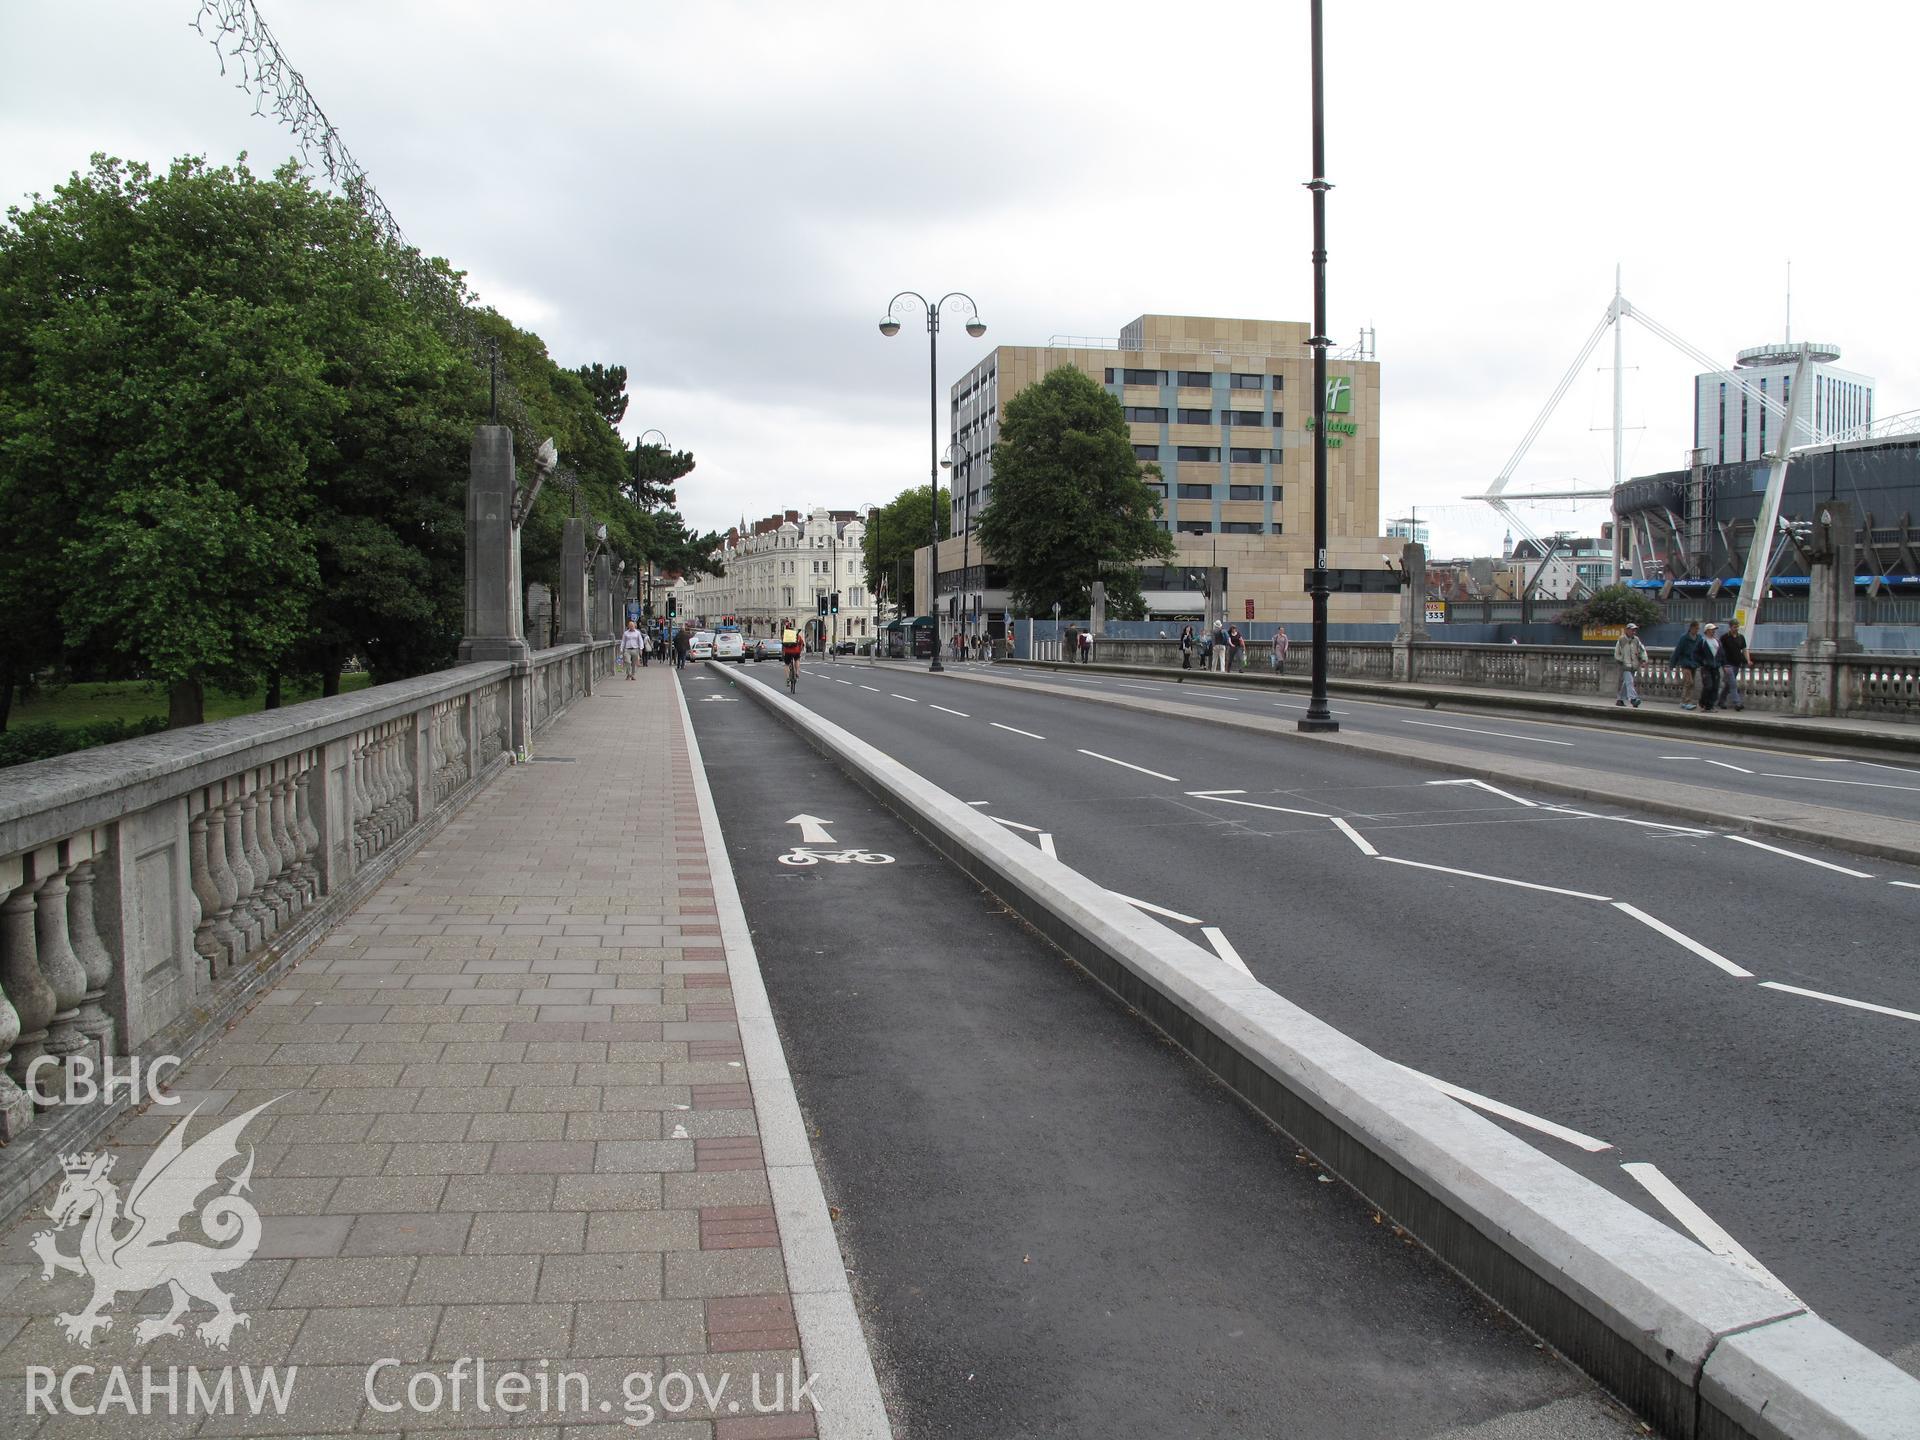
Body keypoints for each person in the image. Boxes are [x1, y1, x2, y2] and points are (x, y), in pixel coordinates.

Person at [1612, 623, 1647, 707]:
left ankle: (1620, 700)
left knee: (1626, 683)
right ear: (1627, 630)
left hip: (1634, 665)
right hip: (1625, 665)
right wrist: (1622, 660)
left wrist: (1644, 659)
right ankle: (1633, 699)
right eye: (1632, 630)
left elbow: (1642, 650)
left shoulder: (1636, 640)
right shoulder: (1621, 640)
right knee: (1630, 682)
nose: (1634, 631)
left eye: (1635, 630)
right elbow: (1617, 653)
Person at [1671, 621, 1703, 709]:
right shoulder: (1684, 638)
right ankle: (1685, 701)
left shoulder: (1699, 638)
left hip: (1694, 663)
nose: (1697, 630)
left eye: (1698, 629)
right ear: (1691, 628)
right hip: (1685, 663)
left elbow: (1701, 651)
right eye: (1696, 628)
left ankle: (1687, 701)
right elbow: (1678, 651)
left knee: (1690, 683)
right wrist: (1672, 664)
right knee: (1689, 681)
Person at [1720, 619, 1748, 711]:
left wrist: (1748, 660)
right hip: (1727, 664)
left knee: (1728, 684)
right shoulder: (1724, 637)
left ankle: (1721, 700)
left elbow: (1744, 649)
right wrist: (1723, 663)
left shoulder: (1741, 637)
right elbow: (1720, 651)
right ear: (1730, 627)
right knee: (1733, 683)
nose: (1736, 629)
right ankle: (1737, 703)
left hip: (1737, 663)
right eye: (1734, 627)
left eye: (1737, 627)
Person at [1697, 622, 1724, 712]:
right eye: (1712, 630)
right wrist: (1702, 662)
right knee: (1708, 686)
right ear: (1707, 631)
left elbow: (1721, 654)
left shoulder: (1717, 641)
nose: (1713, 632)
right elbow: (1696, 654)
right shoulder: (1703, 641)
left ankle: (1710, 705)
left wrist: (1722, 663)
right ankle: (1703, 702)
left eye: (1714, 630)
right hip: (1706, 667)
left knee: (1715, 687)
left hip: (1715, 667)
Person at [780, 620, 804, 687]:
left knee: (786, 664)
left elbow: (783, 644)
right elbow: (802, 644)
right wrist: (800, 651)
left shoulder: (784, 636)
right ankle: (797, 673)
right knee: (797, 660)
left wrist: (783, 653)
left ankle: (788, 678)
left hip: (787, 652)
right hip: (796, 651)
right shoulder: (797, 636)